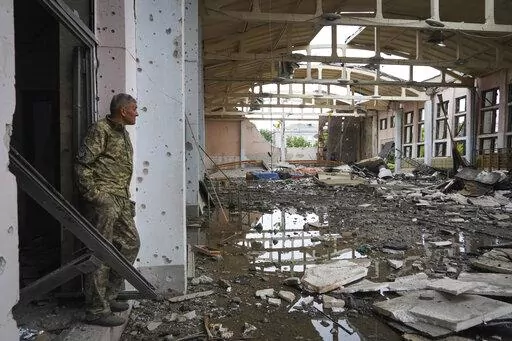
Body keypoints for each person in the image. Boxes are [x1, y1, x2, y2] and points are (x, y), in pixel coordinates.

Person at [75, 93, 140, 326]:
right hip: (104, 200)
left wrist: (124, 199)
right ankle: (96, 309)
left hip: (121, 199)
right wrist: (96, 196)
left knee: (131, 244)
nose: (136, 113)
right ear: (123, 111)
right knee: (100, 253)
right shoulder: (100, 129)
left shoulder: (122, 133)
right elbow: (83, 166)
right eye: (134, 109)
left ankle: (109, 296)